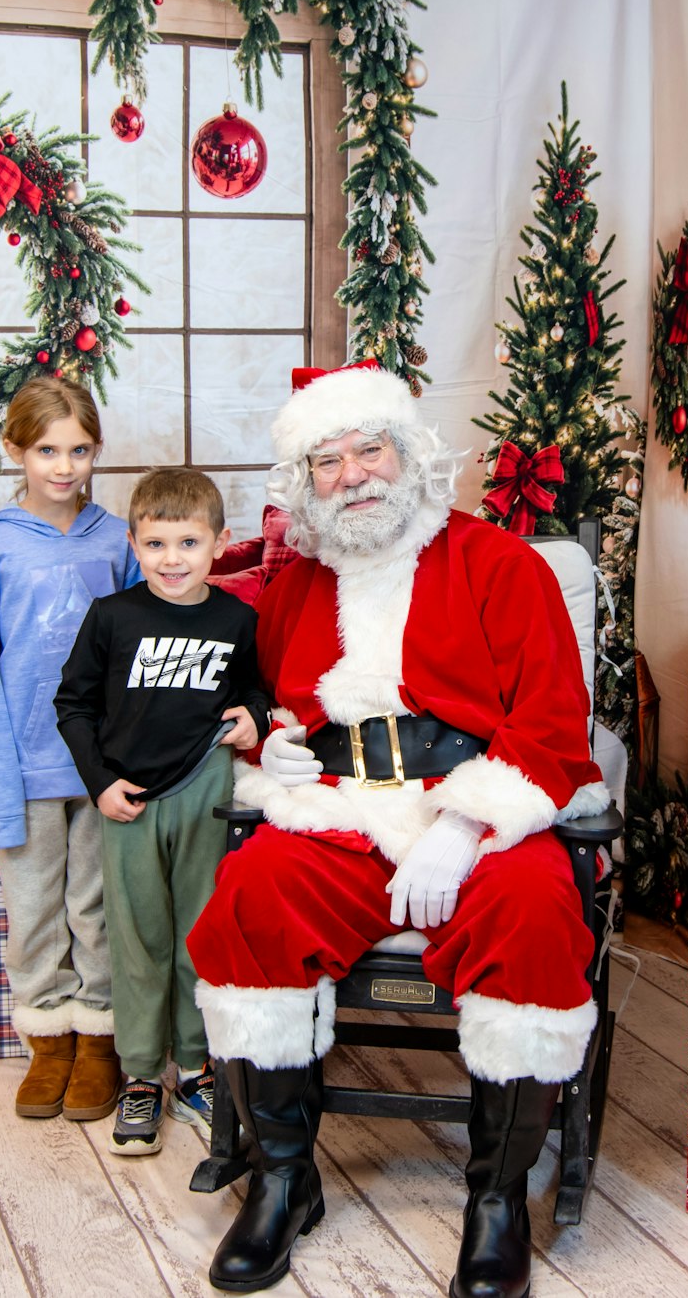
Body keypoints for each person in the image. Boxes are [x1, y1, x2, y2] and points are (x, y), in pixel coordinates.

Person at [185, 363, 609, 1298]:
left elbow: (550, 722)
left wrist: (464, 824)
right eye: (326, 461)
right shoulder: (297, 587)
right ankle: (285, 1180)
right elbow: (281, 706)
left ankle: (495, 1198)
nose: (353, 475)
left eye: (367, 448)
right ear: (306, 484)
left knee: (535, 916)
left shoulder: (502, 564)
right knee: (252, 898)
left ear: (408, 453)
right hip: (340, 812)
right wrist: (282, 755)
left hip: (470, 812)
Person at [55, 467, 273, 1156]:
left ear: (220, 542)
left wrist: (256, 718)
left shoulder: (238, 620)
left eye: (187, 541)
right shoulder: (113, 618)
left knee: (198, 936)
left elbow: (257, 694)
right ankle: (144, 1071)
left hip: (205, 791)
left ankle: (198, 1067)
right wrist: (99, 785)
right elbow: (74, 705)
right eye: (155, 543)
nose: (171, 558)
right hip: (128, 801)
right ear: (132, 543)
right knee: (138, 938)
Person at [0, 378, 138, 1123]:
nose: (64, 466)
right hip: (26, 763)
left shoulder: (117, 538)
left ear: (96, 451)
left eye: (80, 449)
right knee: (32, 906)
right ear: (16, 450)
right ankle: (47, 1037)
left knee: (96, 907)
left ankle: (99, 1034)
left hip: (101, 767)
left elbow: (139, 656)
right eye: (47, 450)